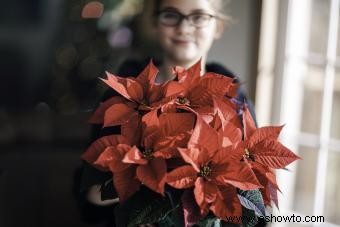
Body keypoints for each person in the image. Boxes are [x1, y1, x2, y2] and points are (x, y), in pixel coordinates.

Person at [76, 0, 259, 226]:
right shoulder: (123, 95)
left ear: (218, 26)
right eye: (171, 15)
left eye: (199, 16)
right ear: (155, 22)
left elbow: (253, 205)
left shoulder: (236, 102)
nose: (183, 28)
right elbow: (90, 192)